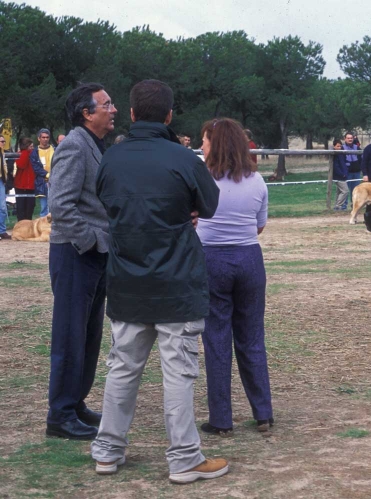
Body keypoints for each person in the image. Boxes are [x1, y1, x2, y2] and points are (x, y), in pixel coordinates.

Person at [92, 80, 226, 484]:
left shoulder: (111, 159)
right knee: (178, 372)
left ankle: (107, 452)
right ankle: (184, 458)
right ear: (169, 116)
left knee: (122, 368)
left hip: (128, 282)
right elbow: (211, 204)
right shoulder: (184, 159)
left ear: (132, 114)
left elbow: (107, 203)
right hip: (177, 284)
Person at [46, 83, 116, 441]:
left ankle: (74, 404)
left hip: (94, 255)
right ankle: (59, 415)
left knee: (88, 337)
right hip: (76, 254)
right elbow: (61, 206)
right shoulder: (74, 145)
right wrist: (90, 242)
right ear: (87, 114)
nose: (114, 109)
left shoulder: (95, 146)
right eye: (106, 104)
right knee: (70, 337)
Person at [196, 118, 274, 438]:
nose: (201, 146)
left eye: (204, 140)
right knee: (252, 338)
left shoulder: (201, 178)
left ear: (215, 144)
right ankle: (263, 413)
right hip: (249, 259)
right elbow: (259, 226)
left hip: (211, 259)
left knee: (216, 340)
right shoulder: (257, 181)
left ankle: (221, 419)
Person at [30, 128, 54, 217]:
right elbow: (36, 168)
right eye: (43, 137)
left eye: (47, 137)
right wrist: (47, 175)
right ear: (39, 138)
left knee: (54, 207)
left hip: (55, 181)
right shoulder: (34, 153)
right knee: (44, 207)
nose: (45, 139)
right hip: (41, 182)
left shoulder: (55, 150)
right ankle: (43, 229)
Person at [14, 137, 36, 221]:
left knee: (29, 210)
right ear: (26, 147)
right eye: (30, 146)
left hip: (31, 186)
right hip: (20, 186)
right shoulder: (20, 154)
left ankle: (28, 231)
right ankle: (21, 230)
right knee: (21, 211)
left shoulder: (34, 155)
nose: (32, 148)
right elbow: (21, 165)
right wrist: (25, 153)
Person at [343, 132, 361, 201]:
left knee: (356, 191)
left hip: (356, 172)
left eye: (351, 138)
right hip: (347, 173)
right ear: (345, 139)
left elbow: (361, 158)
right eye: (348, 138)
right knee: (345, 190)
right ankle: (344, 206)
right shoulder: (342, 148)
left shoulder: (357, 147)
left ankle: (354, 205)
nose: (350, 139)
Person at [332, 138, 348, 210]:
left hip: (342, 175)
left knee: (339, 192)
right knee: (345, 191)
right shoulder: (334, 155)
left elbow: (343, 164)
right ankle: (338, 205)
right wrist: (342, 174)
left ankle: (336, 206)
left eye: (340, 146)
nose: (339, 147)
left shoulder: (341, 154)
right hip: (338, 176)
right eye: (338, 146)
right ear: (334, 146)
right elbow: (336, 167)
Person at [0, 135, 10, 239]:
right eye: (2, 141)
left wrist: (5, 178)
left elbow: (4, 166)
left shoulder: (2, 153)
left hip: (1, 181)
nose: (3, 143)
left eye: (4, 141)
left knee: (2, 207)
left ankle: (2, 230)